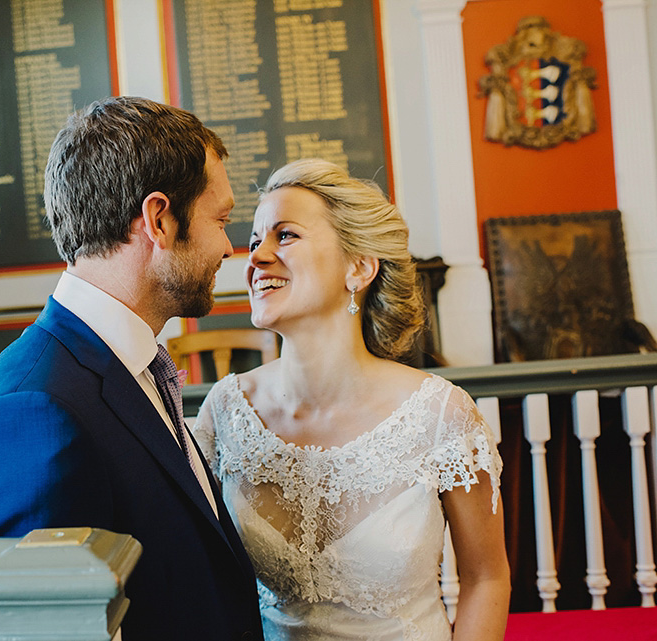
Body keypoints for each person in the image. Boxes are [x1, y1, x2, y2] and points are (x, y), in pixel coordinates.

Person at [0, 96, 264, 641]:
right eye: (221, 219)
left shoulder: (125, 365)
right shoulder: (32, 414)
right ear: (159, 220)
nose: (229, 248)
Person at [192, 159, 511, 641]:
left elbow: (487, 578)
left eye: (286, 236)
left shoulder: (440, 415)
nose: (255, 257)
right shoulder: (226, 411)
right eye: (255, 241)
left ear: (358, 268)